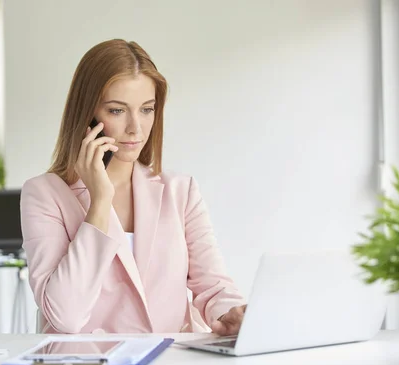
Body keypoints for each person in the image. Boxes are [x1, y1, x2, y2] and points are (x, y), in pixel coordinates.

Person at [20, 39, 246, 335]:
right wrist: (100, 201)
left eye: (146, 110)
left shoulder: (181, 190)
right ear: (87, 114)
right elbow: (66, 317)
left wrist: (234, 314)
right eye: (117, 110)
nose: (135, 128)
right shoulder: (44, 194)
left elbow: (213, 287)